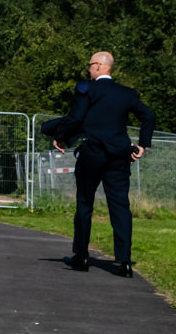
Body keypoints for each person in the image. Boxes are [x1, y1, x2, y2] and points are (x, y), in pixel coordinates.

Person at [41, 51, 155, 277]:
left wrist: (60, 135)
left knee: (85, 203)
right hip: (120, 157)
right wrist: (142, 145)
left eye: (90, 65)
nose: (88, 69)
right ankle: (124, 262)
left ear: (100, 66)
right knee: (120, 207)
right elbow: (148, 116)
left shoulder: (87, 89)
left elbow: (76, 118)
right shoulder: (127, 94)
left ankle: (81, 256)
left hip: (92, 153)